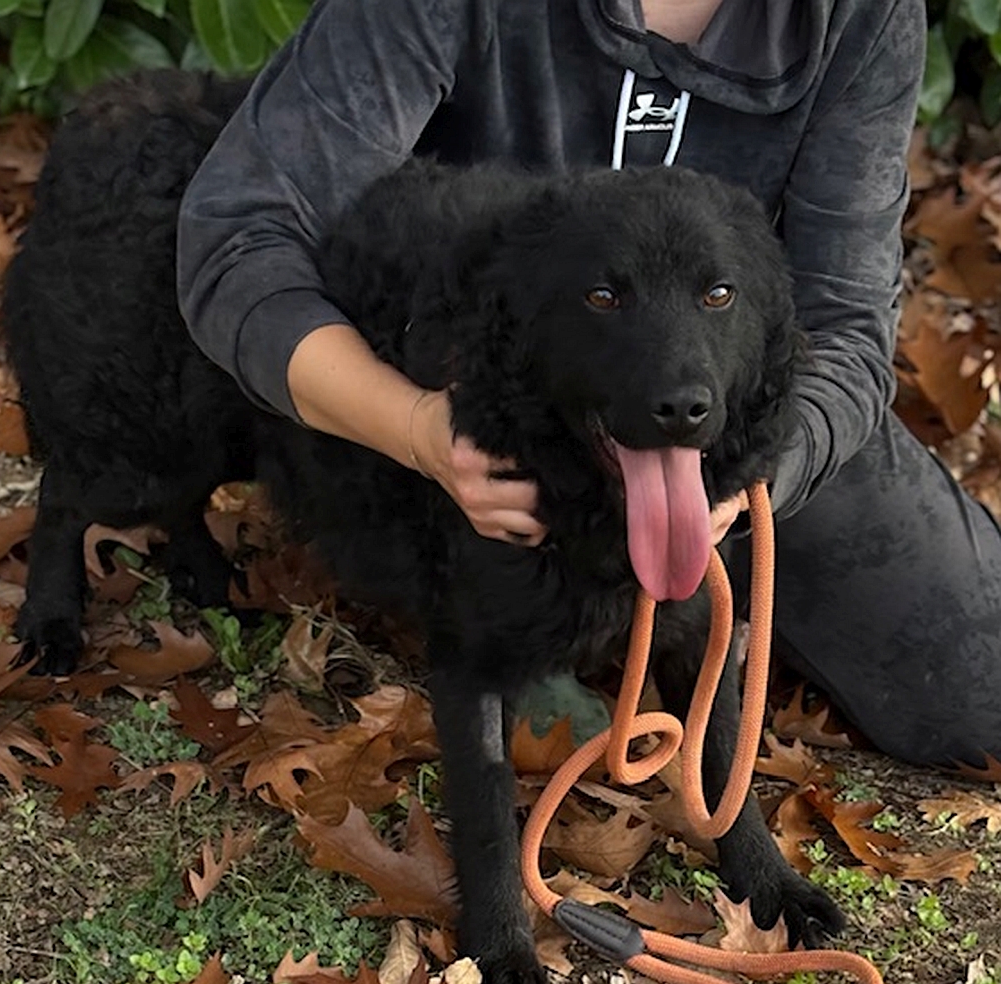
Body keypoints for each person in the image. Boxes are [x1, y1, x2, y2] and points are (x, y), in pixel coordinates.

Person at [177, 0, 1001, 769]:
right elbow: (241, 237)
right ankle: (525, 623)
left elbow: (847, 327)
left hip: (722, 416)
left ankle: (678, 612)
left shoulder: (860, 12)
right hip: (478, 412)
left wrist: (755, 480)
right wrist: (421, 430)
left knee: (981, 695)